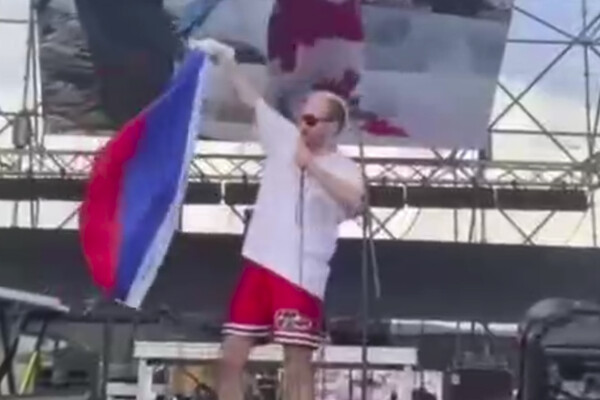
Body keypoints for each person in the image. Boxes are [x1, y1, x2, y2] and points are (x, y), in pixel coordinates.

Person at [191, 38, 365, 400]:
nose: (303, 124)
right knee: (231, 356)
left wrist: (312, 167)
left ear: (333, 126)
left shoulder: (344, 167)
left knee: (296, 363)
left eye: (313, 119)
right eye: (302, 115)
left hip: (300, 274)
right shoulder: (284, 138)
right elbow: (252, 100)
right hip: (259, 262)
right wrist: (226, 60)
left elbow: (356, 203)